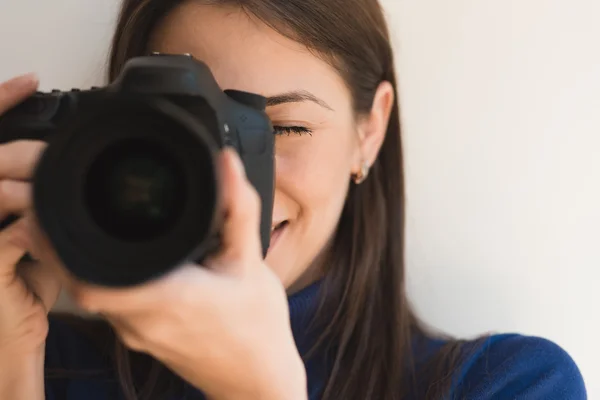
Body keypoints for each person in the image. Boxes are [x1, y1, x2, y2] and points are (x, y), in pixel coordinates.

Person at [0, 0, 587, 399]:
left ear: (370, 130)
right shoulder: (47, 360)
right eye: (189, 132)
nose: (234, 186)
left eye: (283, 130)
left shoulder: (508, 384)